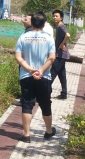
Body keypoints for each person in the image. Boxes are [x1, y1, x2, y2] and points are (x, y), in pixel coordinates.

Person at [14, 12, 57, 143]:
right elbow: (52, 57)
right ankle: (48, 131)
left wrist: (29, 69)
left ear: (31, 23)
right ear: (44, 24)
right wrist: (41, 70)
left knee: (27, 104)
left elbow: (18, 57)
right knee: (45, 103)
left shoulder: (23, 37)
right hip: (44, 77)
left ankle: (26, 135)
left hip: (26, 76)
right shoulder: (49, 38)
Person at [51, 10, 70, 99]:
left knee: (52, 74)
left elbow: (68, 35)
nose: (54, 17)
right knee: (62, 75)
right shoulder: (58, 27)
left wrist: (62, 44)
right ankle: (64, 94)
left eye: (56, 16)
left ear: (61, 18)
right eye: (54, 16)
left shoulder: (61, 26)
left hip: (60, 55)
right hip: (61, 55)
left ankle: (43, 93)